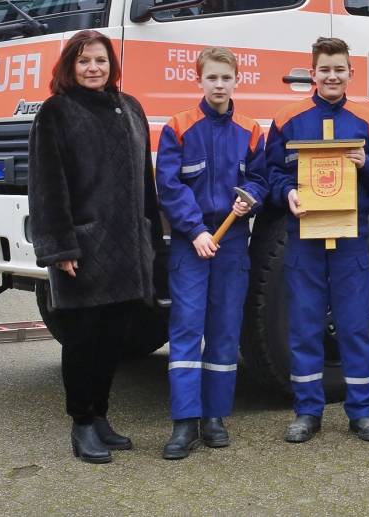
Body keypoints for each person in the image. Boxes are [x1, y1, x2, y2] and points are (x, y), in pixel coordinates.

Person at [28, 30, 162, 464]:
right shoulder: (55, 113)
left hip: (127, 249)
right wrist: (60, 246)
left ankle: (102, 416)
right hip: (82, 249)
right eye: (84, 61)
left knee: (114, 340)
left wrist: (151, 238)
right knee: (83, 339)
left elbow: (146, 182)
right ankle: (81, 423)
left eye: (101, 61)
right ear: (70, 66)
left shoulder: (131, 108)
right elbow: (47, 186)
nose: (94, 68)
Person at [267, 37, 369, 444]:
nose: (332, 76)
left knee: (355, 326)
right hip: (305, 236)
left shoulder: (368, 118)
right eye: (325, 69)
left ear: (351, 73)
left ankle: (363, 412)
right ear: (312, 72)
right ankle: (307, 411)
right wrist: (288, 194)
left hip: (352, 235)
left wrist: (366, 162)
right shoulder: (287, 118)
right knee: (304, 325)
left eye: (339, 69)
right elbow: (273, 173)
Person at [155, 47, 267, 460]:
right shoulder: (179, 128)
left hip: (233, 240)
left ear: (237, 80)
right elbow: (169, 186)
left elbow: (260, 176)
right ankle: (184, 422)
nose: (219, 85)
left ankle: (215, 418)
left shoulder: (251, 129)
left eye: (226, 78)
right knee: (186, 329)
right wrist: (196, 230)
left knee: (224, 328)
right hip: (192, 242)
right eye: (212, 78)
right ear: (198, 80)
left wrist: (250, 198)